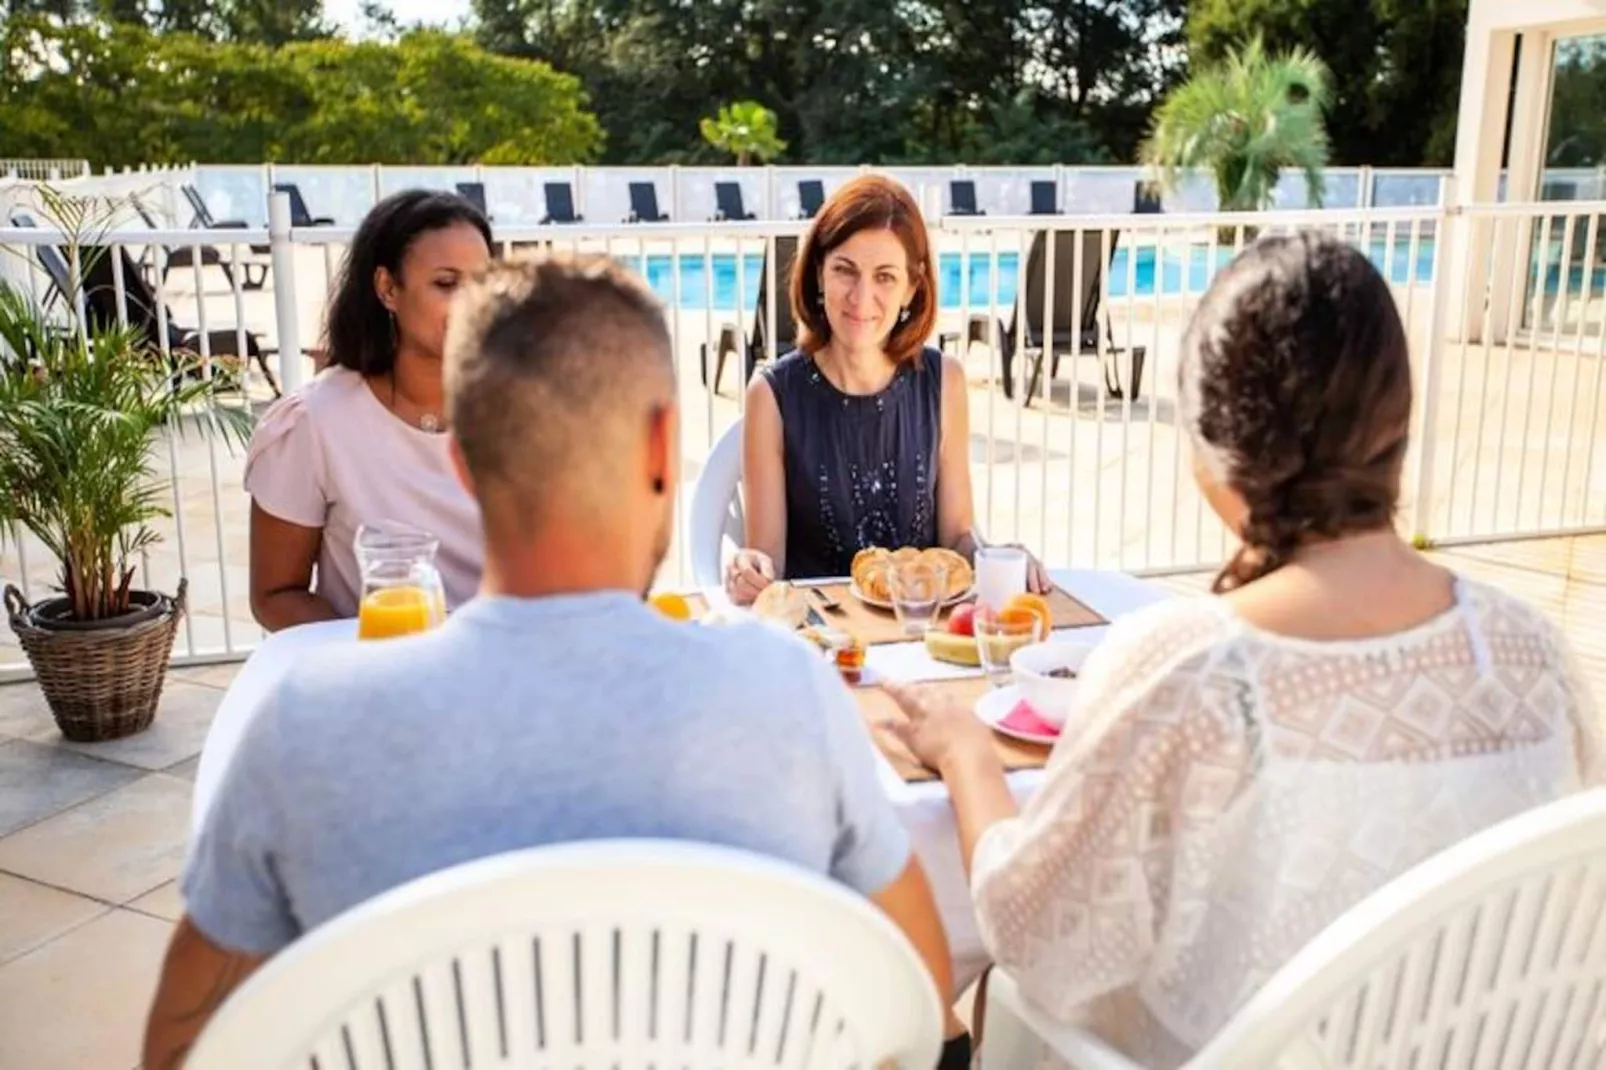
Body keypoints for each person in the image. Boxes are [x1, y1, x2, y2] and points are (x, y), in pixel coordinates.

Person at [146, 255, 969, 1067]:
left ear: (463, 458)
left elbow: (182, 1047)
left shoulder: (301, 728)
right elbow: (921, 998)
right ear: (660, 449)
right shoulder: (790, 694)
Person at [887, 234, 1604, 1068]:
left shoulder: (1190, 670)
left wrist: (967, 755)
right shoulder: (1530, 654)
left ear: (1208, 445)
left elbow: (1035, 941)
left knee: (988, 1003)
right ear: (1399, 421)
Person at [726, 174, 1047, 605]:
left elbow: (956, 540)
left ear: (912, 289)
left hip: (925, 638)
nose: (862, 297)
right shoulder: (772, 395)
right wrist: (750, 569)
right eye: (845, 270)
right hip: (825, 644)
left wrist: (1000, 558)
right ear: (819, 271)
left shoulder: (944, 381)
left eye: (885, 277)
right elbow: (769, 563)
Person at [245, 189, 493, 632]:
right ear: (387, 288)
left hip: (500, 671)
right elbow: (275, 595)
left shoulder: (522, 411)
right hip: (377, 672)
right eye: (446, 283)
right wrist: (374, 648)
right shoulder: (316, 423)